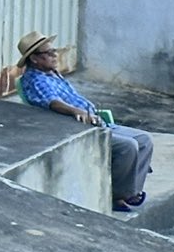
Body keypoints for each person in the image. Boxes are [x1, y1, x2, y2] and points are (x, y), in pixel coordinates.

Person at [15, 32, 154, 212]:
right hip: (77, 126)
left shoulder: (52, 73)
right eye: (49, 53)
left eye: (54, 51)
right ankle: (117, 195)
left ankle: (131, 191)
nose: (55, 55)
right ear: (34, 59)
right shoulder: (35, 79)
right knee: (128, 146)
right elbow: (52, 102)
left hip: (95, 120)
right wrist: (76, 111)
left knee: (144, 140)